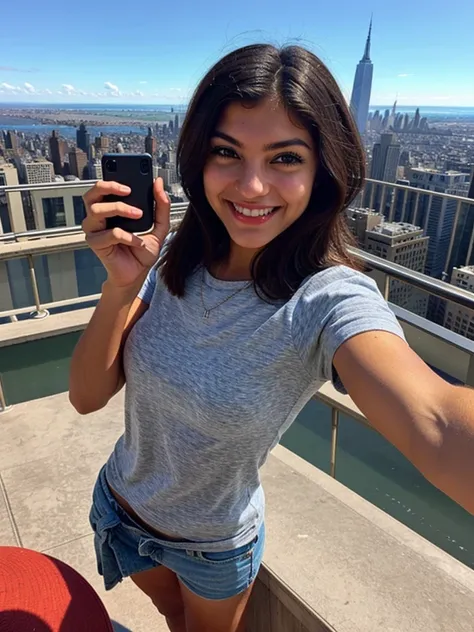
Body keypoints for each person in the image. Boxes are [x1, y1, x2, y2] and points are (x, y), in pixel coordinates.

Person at [69, 44, 474, 632]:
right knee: (165, 614)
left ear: (322, 171)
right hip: (120, 507)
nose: (252, 185)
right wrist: (120, 287)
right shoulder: (176, 255)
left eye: (284, 158)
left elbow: (436, 420)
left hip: (212, 545)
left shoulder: (328, 299)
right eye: (226, 152)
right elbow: (86, 395)